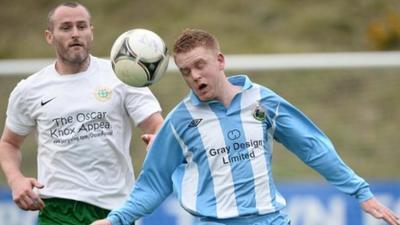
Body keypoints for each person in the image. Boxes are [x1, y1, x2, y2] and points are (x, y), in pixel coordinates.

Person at [91, 28, 400, 225]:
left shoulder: (263, 102)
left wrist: (361, 192)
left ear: (220, 60)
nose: (195, 76)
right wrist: (116, 220)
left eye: (200, 65)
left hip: (271, 220)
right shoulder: (179, 122)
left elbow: (312, 147)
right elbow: (154, 183)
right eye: (186, 71)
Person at [0, 2, 163, 225]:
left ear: (91, 32)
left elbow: (157, 127)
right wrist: (16, 179)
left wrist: (159, 141)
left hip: (114, 211)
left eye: (82, 26)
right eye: (66, 27)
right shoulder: (29, 89)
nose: (76, 34)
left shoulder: (122, 76)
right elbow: (9, 143)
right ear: (50, 36)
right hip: (57, 210)